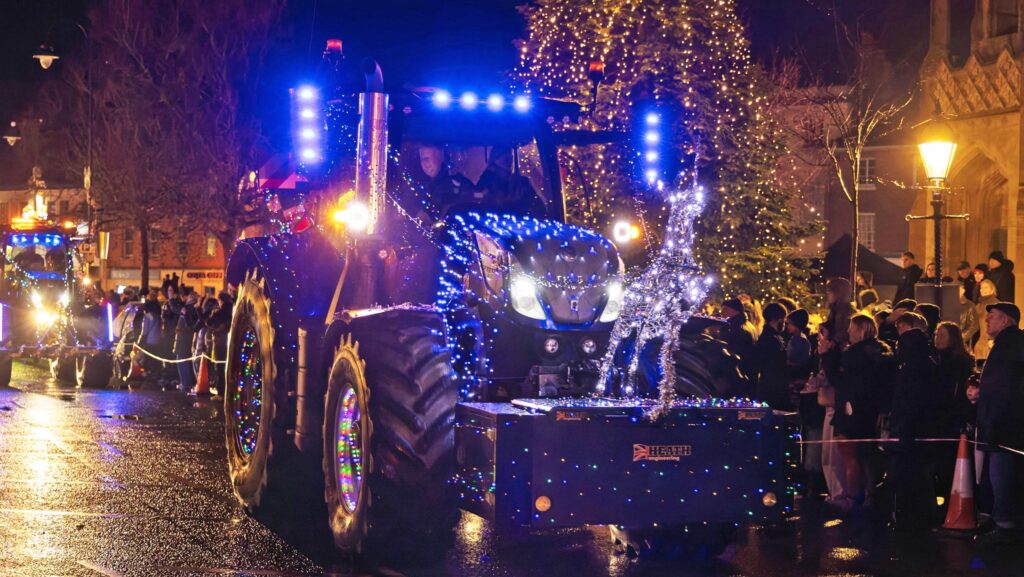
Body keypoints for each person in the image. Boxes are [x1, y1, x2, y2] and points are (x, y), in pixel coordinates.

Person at [821, 314, 892, 513]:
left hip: (851, 411)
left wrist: (827, 357)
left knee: (850, 456)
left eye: (852, 327)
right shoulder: (883, 351)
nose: (849, 331)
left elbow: (840, 382)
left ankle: (852, 497)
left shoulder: (855, 355)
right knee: (868, 455)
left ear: (860, 330)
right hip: (871, 412)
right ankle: (870, 493)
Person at [967, 302, 1024, 543]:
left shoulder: (1011, 344)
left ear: (1006, 321)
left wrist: (984, 393)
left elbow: (1005, 384)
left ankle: (1005, 525)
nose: (987, 321)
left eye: (992, 317)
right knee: (998, 472)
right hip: (1001, 422)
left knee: (1003, 473)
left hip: (1004, 424)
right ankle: (1001, 520)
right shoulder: (1006, 344)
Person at [889, 311, 941, 531]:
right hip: (923, 425)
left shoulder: (910, 362)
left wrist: (902, 429)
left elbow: (908, 399)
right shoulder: (929, 357)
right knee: (922, 474)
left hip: (910, 427)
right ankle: (922, 515)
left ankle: (910, 516)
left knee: (909, 473)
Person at [933, 321, 975, 500]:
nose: (937, 338)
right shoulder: (935, 359)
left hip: (950, 417)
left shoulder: (956, 363)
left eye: (942, 335)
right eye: (936, 334)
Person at [473, 146, 538, 215]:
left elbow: (537, 206)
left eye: (511, 158)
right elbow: (477, 199)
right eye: (505, 159)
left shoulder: (522, 182)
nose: (510, 162)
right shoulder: (487, 180)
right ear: (494, 160)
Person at [417, 144, 475, 218]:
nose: (425, 163)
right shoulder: (420, 187)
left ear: (440, 157)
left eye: (427, 158)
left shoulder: (459, 184)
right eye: (422, 159)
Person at [755, 303, 789, 409]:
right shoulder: (768, 338)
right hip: (772, 387)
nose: (784, 322)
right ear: (777, 319)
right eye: (783, 319)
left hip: (777, 384)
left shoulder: (776, 336)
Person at [720, 298, 757, 386]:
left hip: (739, 374)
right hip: (748, 374)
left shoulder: (735, 328)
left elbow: (732, 353)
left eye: (725, 309)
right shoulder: (748, 325)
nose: (722, 313)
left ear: (735, 311)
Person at [174, 290, 201, 393]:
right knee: (183, 360)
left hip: (184, 338)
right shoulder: (191, 309)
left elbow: (188, 324)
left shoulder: (189, 309)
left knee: (182, 360)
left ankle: (185, 383)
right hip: (185, 337)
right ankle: (185, 382)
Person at [824, 277, 857, 347]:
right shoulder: (835, 310)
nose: (828, 294)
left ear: (839, 293)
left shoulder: (848, 312)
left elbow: (845, 332)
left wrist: (833, 341)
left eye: (830, 290)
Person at [974, 279, 999, 362]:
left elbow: (997, 323)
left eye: (986, 288)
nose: (983, 290)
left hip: (989, 342)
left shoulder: (995, 304)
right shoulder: (979, 305)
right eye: (981, 288)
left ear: (992, 289)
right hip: (981, 342)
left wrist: (992, 339)